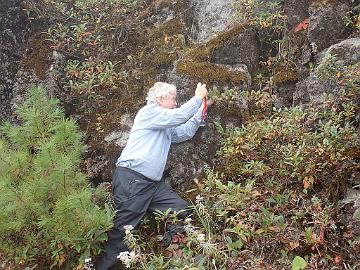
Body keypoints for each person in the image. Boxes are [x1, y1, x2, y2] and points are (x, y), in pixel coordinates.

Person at [95, 81, 209, 270]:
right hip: (133, 178)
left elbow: (185, 131)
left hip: (151, 185)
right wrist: (197, 98)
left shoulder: (164, 125)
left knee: (180, 210)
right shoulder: (149, 113)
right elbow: (179, 116)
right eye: (173, 98)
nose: (175, 102)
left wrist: (202, 107)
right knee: (122, 234)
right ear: (160, 98)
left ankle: (175, 259)